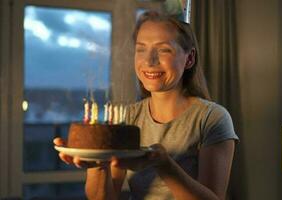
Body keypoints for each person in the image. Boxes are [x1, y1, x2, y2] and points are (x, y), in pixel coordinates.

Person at [54, 11, 238, 200]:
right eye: (141, 49)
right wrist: (98, 164)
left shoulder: (212, 118)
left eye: (164, 49)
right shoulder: (129, 118)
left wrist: (164, 164)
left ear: (189, 58)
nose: (149, 61)